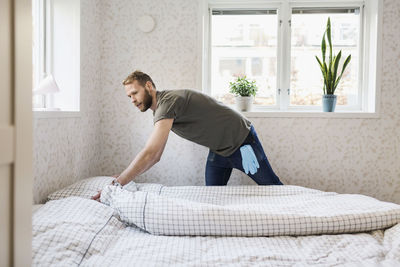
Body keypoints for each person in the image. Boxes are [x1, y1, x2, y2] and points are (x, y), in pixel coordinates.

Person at [91, 70, 283, 201]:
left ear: (149, 86)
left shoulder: (168, 103)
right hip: (219, 150)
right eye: (129, 97)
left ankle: (305, 213)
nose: (132, 100)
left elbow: (152, 154)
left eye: (135, 93)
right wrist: (125, 177)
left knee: (274, 189)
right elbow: (153, 154)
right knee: (213, 198)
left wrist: (119, 182)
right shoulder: (161, 109)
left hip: (242, 142)